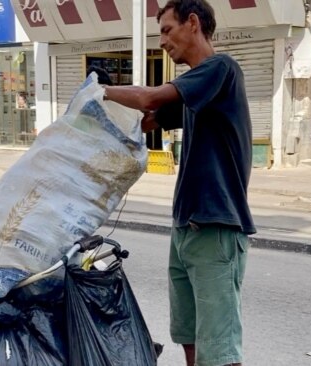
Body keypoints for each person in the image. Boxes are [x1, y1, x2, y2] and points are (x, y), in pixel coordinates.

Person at [101, 1, 256, 365]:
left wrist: (101, 89)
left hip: (217, 227)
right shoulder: (193, 94)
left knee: (217, 350)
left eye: (167, 31)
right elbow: (145, 119)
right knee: (189, 337)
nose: (163, 42)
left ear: (192, 23)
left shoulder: (221, 69)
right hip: (186, 227)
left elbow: (148, 97)